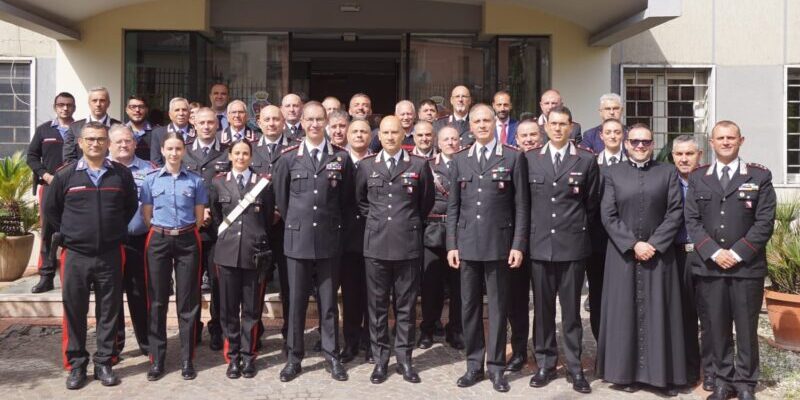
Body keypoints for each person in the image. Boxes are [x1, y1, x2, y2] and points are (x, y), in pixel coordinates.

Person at [685, 121, 776, 400]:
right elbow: (692, 219)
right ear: (711, 143)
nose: (725, 142)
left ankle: (746, 383)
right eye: (720, 138)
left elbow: (764, 222)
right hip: (710, 266)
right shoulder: (699, 177)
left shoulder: (758, 176)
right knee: (715, 327)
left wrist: (736, 253)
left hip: (746, 268)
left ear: (741, 141)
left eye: (730, 138)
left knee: (746, 328)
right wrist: (714, 252)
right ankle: (723, 380)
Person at [44, 122, 138, 390]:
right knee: (75, 311)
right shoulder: (65, 176)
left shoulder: (120, 175)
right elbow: (52, 212)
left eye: (100, 139)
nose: (95, 144)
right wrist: (73, 233)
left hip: (109, 254)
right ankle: (76, 365)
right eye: (90, 139)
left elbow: (129, 206)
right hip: (76, 255)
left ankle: (104, 363)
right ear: (81, 143)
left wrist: (112, 229)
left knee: (108, 311)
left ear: (108, 143)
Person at [597, 124, 687, 396]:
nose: (639, 146)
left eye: (645, 142)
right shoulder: (611, 173)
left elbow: (675, 213)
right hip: (622, 255)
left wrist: (654, 244)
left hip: (658, 256)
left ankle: (661, 377)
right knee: (624, 313)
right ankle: (624, 373)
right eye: (634, 142)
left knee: (661, 313)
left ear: (652, 144)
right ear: (626, 144)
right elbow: (608, 214)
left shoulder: (668, 172)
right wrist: (633, 244)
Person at [447, 103, 529, 393]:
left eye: (486, 120)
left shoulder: (512, 157)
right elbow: (453, 207)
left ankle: (496, 367)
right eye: (477, 121)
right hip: (467, 245)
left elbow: (521, 207)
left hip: (499, 245)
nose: (482, 125)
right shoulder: (460, 159)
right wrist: (451, 245)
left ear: (495, 123)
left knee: (497, 308)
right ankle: (473, 365)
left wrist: (518, 244)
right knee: (469, 308)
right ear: (469, 126)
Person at [272, 101, 353, 382]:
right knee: (296, 303)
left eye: (320, 119)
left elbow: (345, 200)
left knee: (329, 303)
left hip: (329, 240)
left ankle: (332, 355)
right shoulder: (288, 158)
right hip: (298, 240)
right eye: (310, 120)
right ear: (302, 123)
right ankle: (294, 357)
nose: (315, 124)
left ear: (327, 123)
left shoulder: (341, 158)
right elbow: (282, 200)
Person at [355, 116, 434, 384]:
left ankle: (405, 359)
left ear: (404, 135)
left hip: (407, 245)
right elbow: (361, 202)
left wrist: (405, 223)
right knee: (377, 307)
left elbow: (425, 203)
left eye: (395, 132)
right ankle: (380, 361)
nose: (390, 137)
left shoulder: (419, 165)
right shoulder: (367, 167)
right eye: (385, 132)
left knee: (406, 306)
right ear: (380, 136)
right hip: (376, 246)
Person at [526, 106, 598, 394]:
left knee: (570, 312)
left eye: (563, 124)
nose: (557, 128)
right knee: (542, 311)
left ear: (571, 127)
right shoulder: (530, 159)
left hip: (572, 246)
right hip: (539, 245)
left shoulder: (586, 160)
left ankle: (573, 365)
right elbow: (524, 204)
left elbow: (591, 204)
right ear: (545, 127)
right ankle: (545, 362)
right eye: (553, 124)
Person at [141, 131, 208, 381]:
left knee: (187, 301)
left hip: (188, 239)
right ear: (162, 151)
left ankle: (186, 359)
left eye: (178, 149)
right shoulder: (150, 180)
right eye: (169, 149)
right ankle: (157, 359)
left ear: (184, 151)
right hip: (159, 238)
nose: (174, 153)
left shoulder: (195, 181)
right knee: (157, 300)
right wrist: (162, 230)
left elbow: (200, 217)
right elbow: (147, 214)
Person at [209, 140, 274, 379]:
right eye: (236, 153)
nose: (241, 157)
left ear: (251, 156)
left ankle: (249, 356)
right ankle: (232, 357)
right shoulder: (217, 182)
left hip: (254, 253)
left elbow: (266, 218)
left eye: (245, 153)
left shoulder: (263, 184)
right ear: (230, 155)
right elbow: (216, 216)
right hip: (226, 254)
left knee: (251, 310)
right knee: (227, 310)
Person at [184, 107, 229, 351]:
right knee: (190, 282)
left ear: (217, 125)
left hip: (218, 229)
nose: (206, 126)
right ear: (195, 125)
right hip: (190, 229)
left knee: (218, 282)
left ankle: (217, 328)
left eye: (211, 122)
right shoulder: (184, 153)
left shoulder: (226, 155)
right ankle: (192, 327)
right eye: (202, 122)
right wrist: (197, 212)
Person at [107, 124, 154, 359]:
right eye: (119, 142)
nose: (124, 145)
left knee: (140, 293)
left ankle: (147, 343)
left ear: (136, 143)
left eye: (128, 141)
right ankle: (114, 347)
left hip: (139, 241)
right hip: (110, 244)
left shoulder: (150, 169)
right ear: (109, 145)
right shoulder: (101, 169)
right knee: (111, 296)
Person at [251, 104, 295, 350]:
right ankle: (255, 332)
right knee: (257, 282)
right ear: (259, 122)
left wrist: (280, 210)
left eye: (276, 119)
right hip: (258, 226)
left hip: (286, 225)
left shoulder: (294, 149)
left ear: (283, 122)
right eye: (266, 120)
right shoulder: (249, 150)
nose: (271, 124)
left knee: (289, 281)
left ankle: (291, 332)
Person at [671, 134, 711, 391]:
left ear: (700, 156)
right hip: (675, 255)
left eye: (689, 153)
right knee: (682, 315)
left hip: (705, 254)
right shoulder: (665, 181)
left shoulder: (711, 181)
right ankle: (686, 369)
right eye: (679, 154)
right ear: (672, 156)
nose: (684, 159)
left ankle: (711, 372)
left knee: (709, 315)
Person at [419, 126, 464, 350]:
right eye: (446, 139)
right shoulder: (428, 166)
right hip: (434, 231)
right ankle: (427, 328)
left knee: (458, 286)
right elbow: (423, 198)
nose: (450, 143)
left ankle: (455, 329)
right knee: (431, 286)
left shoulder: (466, 163)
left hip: (460, 233)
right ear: (438, 142)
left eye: (454, 138)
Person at [28, 91, 75, 293]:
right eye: (61, 104)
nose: (65, 108)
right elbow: (31, 157)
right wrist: (45, 176)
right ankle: (46, 276)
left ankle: (75, 276)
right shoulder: (43, 130)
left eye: (69, 105)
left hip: (75, 188)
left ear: (74, 107)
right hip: (49, 187)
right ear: (55, 107)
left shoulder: (80, 129)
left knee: (76, 229)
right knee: (48, 232)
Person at [584, 118, 627, 340]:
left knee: (622, 295)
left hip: (624, 241)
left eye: (617, 132)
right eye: (608, 132)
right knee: (598, 294)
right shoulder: (590, 163)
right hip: (597, 242)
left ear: (623, 135)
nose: (612, 136)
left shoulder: (631, 162)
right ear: (601, 136)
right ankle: (602, 343)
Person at [339, 119, 373, 364]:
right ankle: (350, 342)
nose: (359, 135)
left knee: (374, 295)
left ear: (370, 137)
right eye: (355, 131)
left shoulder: (378, 162)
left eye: (364, 131)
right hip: (344, 238)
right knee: (350, 294)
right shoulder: (337, 162)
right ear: (347, 135)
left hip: (375, 237)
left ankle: (372, 343)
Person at [62, 87, 121, 162]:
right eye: (94, 100)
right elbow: (68, 158)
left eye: (102, 100)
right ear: (89, 103)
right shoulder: (74, 128)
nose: (98, 104)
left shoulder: (119, 127)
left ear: (108, 103)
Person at [150, 97, 196, 166]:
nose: (181, 113)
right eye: (177, 110)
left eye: (184, 110)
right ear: (170, 114)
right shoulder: (158, 133)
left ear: (189, 113)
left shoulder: (197, 133)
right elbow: (156, 163)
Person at [124, 96, 155, 161]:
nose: (137, 110)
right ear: (126, 110)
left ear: (146, 110)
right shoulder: (120, 132)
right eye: (133, 107)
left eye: (141, 107)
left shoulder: (156, 132)